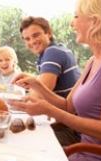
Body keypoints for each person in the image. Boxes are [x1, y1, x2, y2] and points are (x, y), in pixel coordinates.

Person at [10, 0, 101, 161]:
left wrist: (47, 109)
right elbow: (68, 106)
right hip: (83, 149)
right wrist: (36, 84)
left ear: (96, 21)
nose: (71, 23)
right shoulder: (93, 60)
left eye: (76, 16)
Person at [19, 16, 81, 146]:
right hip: (67, 123)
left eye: (36, 35)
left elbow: (41, 92)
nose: (32, 41)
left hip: (71, 130)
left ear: (49, 32)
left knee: (22, 141)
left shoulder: (52, 52)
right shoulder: (57, 49)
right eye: (27, 39)